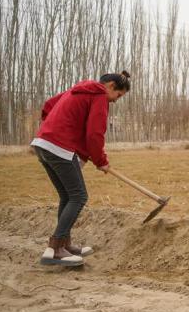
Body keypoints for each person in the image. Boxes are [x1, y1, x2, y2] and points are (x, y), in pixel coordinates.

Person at [31, 71, 131, 266]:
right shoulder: (99, 96)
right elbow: (94, 133)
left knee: (68, 196)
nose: (116, 101)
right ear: (110, 86)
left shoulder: (78, 89)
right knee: (79, 196)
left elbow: (49, 105)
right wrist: (100, 159)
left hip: (42, 143)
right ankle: (55, 248)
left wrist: (54, 129)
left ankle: (64, 244)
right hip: (58, 146)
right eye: (118, 96)